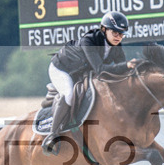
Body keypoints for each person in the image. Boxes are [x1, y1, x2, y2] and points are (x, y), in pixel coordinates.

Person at [42, 11, 131, 153]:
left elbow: (122, 73)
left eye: (121, 34)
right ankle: (52, 136)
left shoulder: (116, 47)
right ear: (104, 29)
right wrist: (126, 66)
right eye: (115, 33)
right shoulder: (89, 40)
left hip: (80, 72)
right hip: (61, 69)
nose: (118, 37)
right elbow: (100, 69)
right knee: (69, 94)